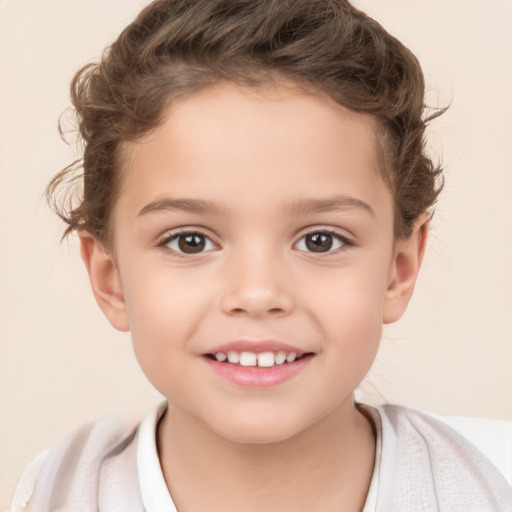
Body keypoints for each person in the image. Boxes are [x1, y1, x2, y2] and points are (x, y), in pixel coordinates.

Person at [10, 0, 512, 510]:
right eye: (190, 241)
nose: (257, 293)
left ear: (398, 272)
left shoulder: (494, 481)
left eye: (321, 240)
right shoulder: (52, 492)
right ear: (110, 278)